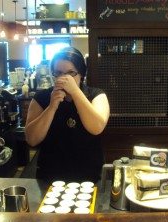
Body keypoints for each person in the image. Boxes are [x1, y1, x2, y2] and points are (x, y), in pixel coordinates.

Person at [25, 47, 110, 183]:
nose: (64, 79)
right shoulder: (41, 98)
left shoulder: (97, 95)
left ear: (82, 74)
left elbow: (96, 127)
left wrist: (75, 92)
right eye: (58, 73)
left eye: (71, 73)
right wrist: (52, 107)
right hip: (50, 176)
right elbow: (31, 139)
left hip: (89, 176)